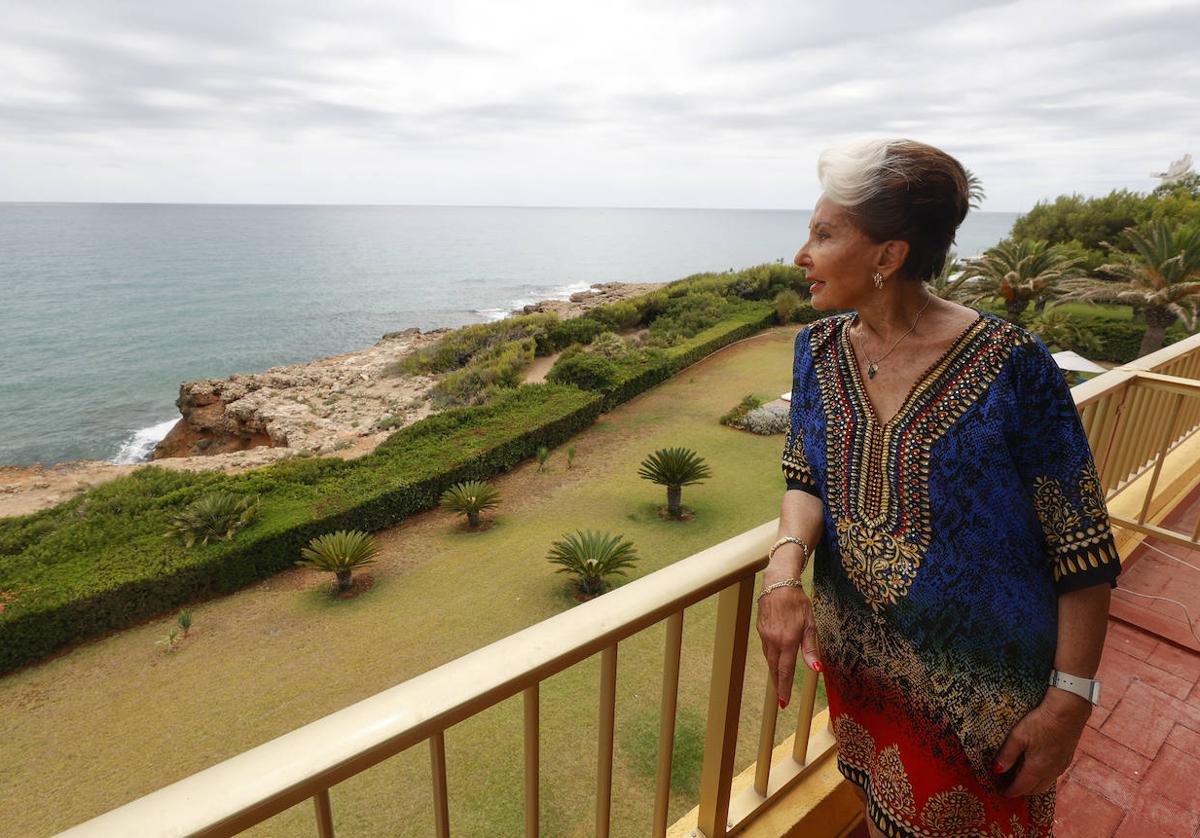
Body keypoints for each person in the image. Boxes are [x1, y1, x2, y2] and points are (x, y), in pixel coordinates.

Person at [756, 138, 1120, 837]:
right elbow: (806, 476)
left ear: (888, 256)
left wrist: (1069, 703)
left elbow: (1080, 548)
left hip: (988, 703)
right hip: (863, 671)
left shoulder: (1014, 366)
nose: (801, 255)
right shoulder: (819, 350)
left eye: (824, 234)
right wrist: (783, 569)